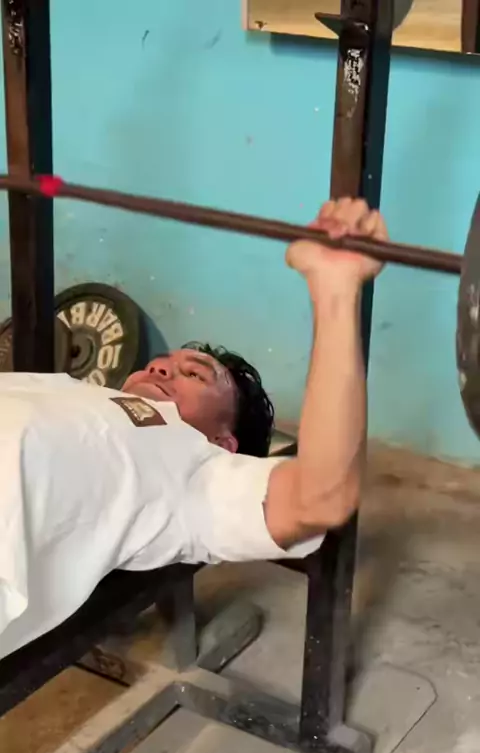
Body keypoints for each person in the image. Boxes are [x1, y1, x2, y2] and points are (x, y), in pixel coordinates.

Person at [0, 197, 387, 658]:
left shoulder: (198, 473)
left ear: (223, 441)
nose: (161, 368)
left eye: (196, 375)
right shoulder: (65, 390)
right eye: (161, 363)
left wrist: (336, 291)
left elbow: (321, 495)